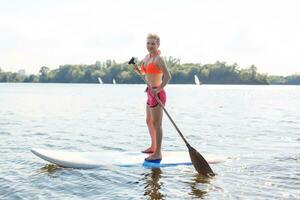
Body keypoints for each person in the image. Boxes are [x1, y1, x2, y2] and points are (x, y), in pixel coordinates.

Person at [132, 33, 171, 161]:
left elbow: (168, 76)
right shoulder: (146, 58)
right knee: (149, 121)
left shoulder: (159, 59)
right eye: (148, 43)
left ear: (158, 45)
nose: (150, 46)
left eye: (153, 43)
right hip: (149, 92)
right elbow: (144, 73)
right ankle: (153, 147)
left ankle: (158, 152)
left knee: (157, 123)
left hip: (158, 93)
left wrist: (158, 89)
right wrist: (137, 70)